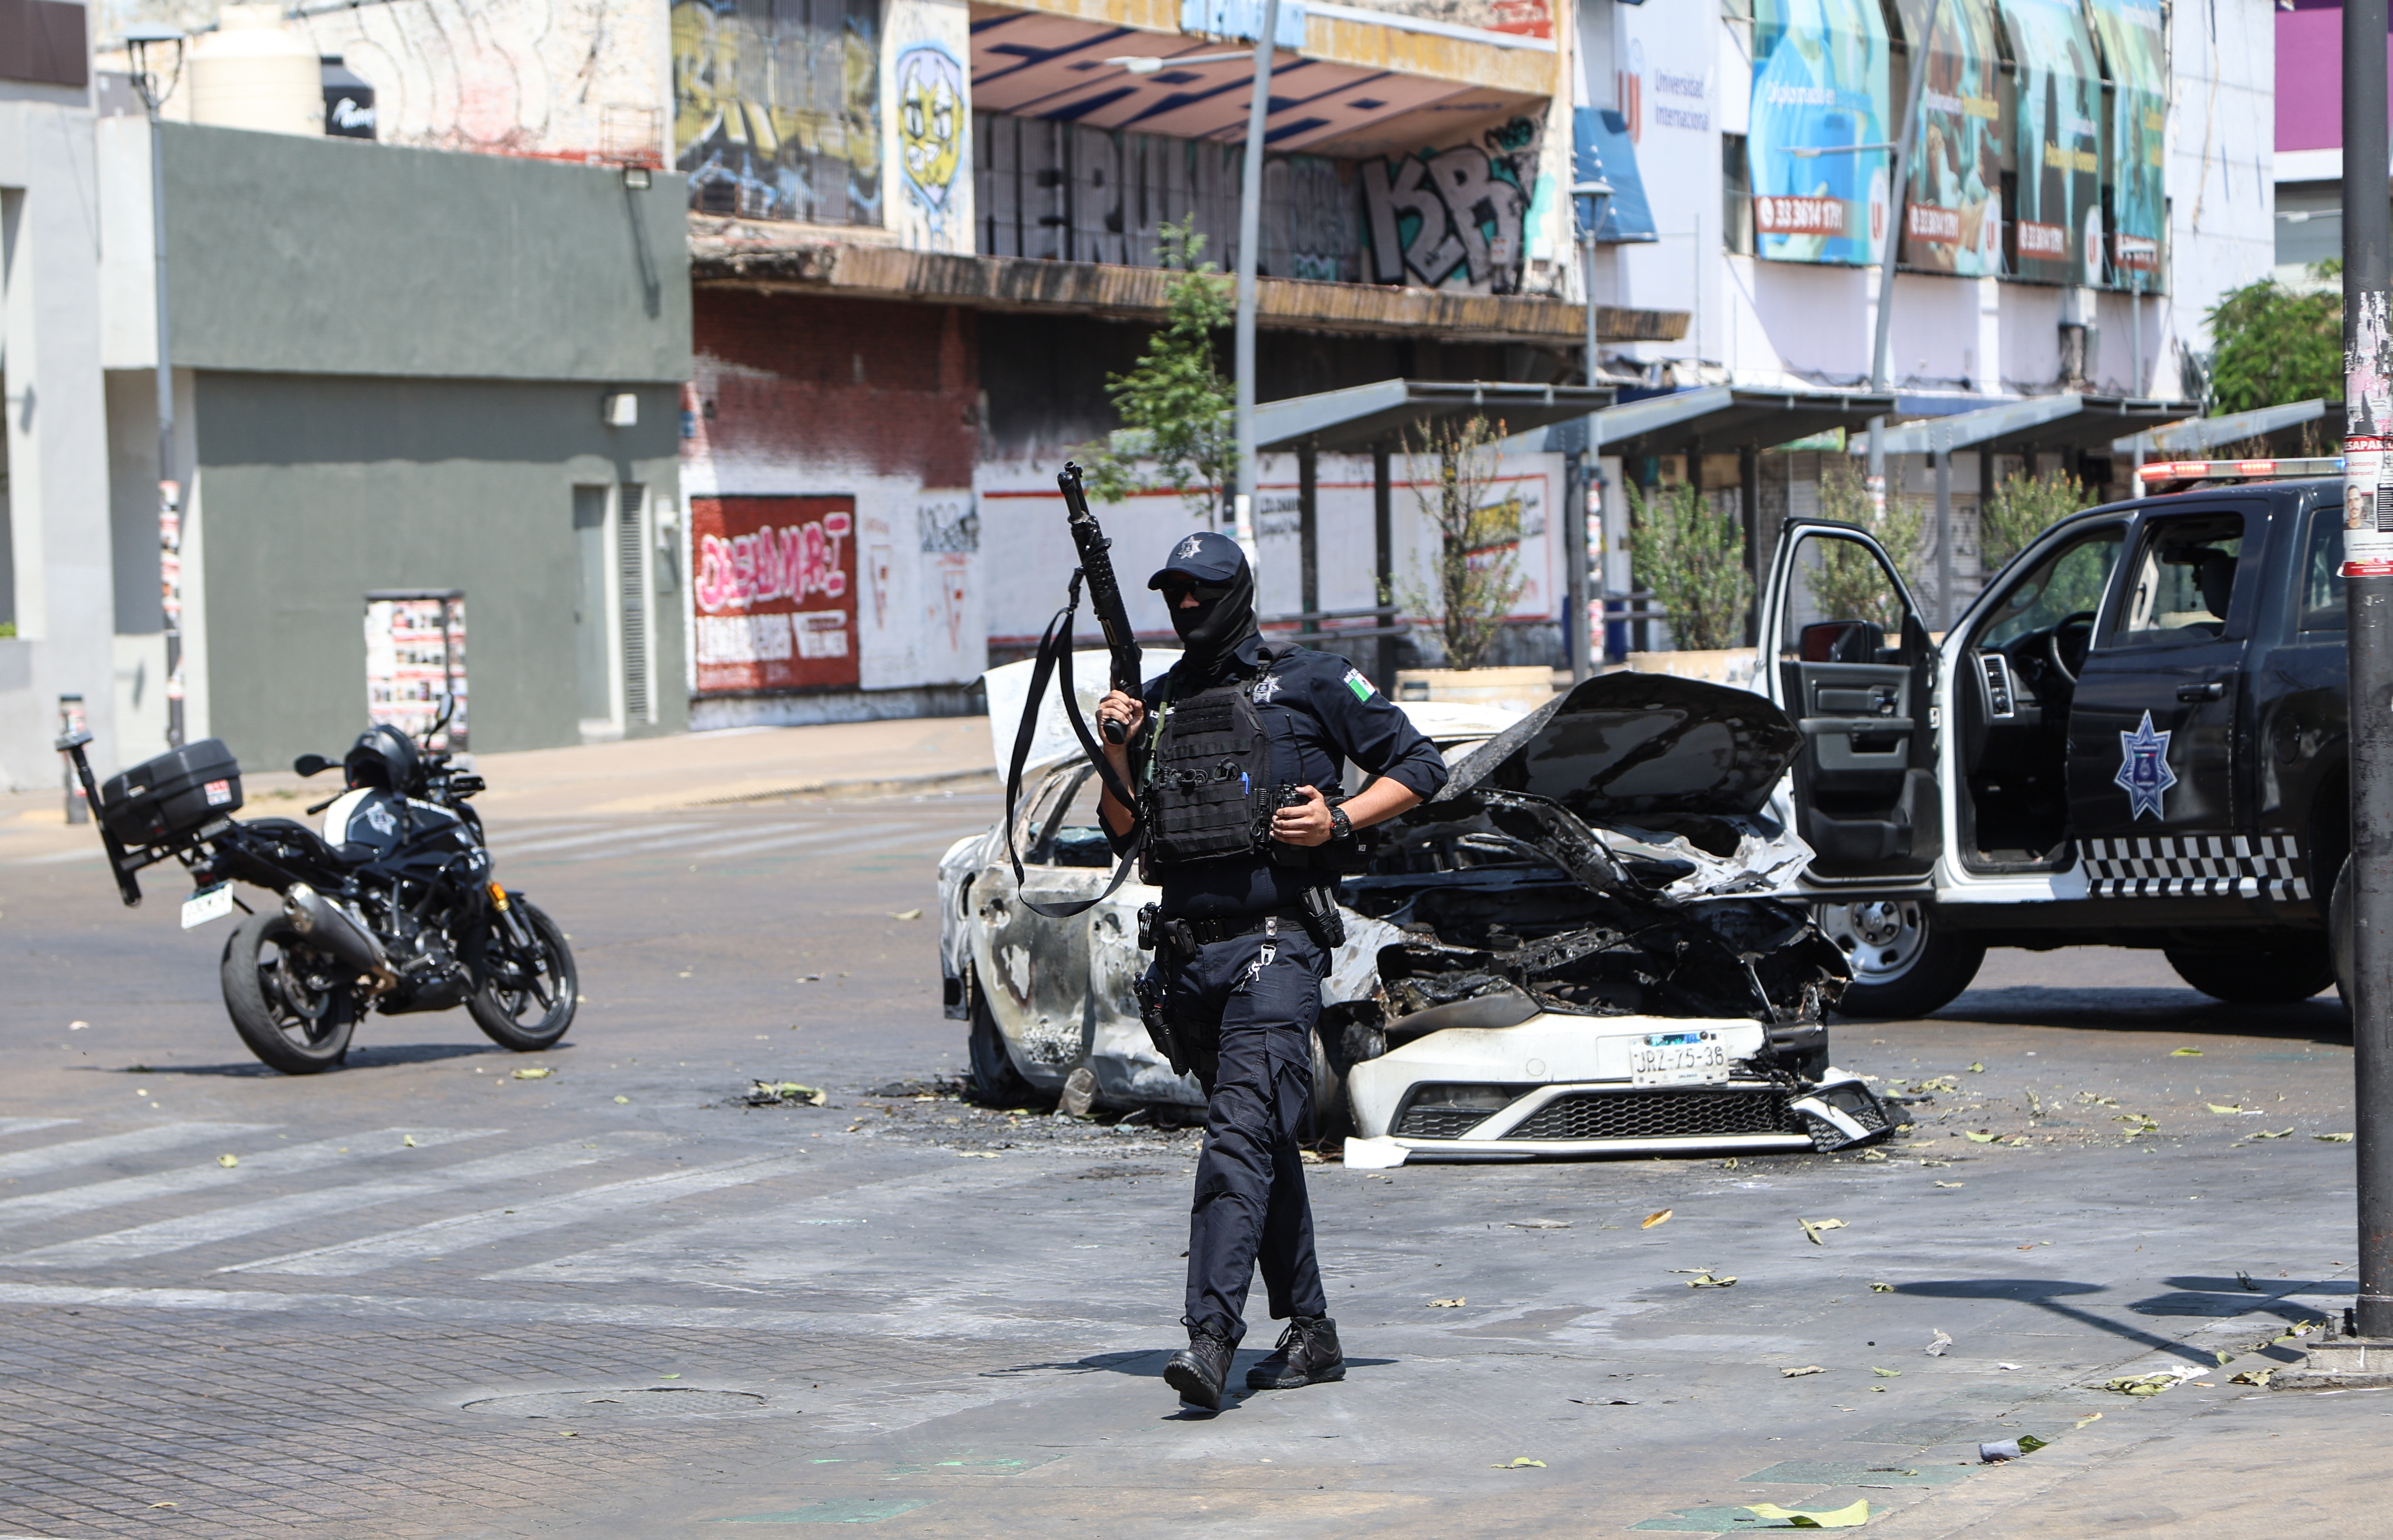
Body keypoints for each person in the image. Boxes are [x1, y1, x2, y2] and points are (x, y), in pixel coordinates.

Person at [1093, 530, 1450, 1410]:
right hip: (1188, 959)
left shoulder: (1315, 680)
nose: (1183, 606)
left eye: (1198, 591)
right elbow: (1122, 831)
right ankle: (1314, 1331)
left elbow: (1423, 764)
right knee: (1260, 1145)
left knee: (1237, 1140)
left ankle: (1209, 1337)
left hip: (1275, 947)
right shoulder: (1161, 703)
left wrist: (1341, 820)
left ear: (1236, 593)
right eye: (1170, 591)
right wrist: (1116, 748)